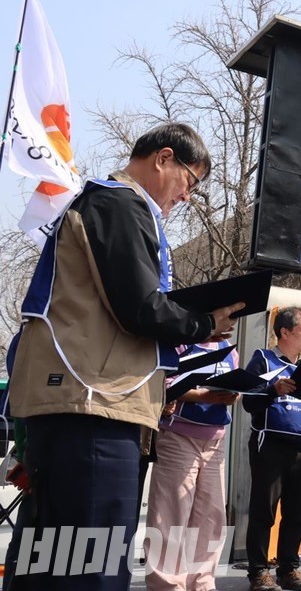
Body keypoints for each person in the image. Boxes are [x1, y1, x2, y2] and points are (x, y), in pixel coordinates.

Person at [8, 122, 240, 591]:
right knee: (93, 565)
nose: (187, 197)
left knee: (49, 562)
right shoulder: (120, 203)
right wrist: (204, 323)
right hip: (93, 404)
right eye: (189, 182)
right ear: (164, 158)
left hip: (78, 404)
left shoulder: (107, 203)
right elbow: (140, 308)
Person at [146, 341, 241, 590]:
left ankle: (202, 582)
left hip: (215, 440)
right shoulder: (179, 344)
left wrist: (234, 394)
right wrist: (204, 396)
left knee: (211, 516)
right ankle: (167, 584)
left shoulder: (229, 349)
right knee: (170, 515)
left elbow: (239, 388)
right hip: (178, 436)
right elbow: (163, 382)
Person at [243, 307, 301, 591]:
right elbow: (248, 402)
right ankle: (259, 572)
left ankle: (289, 569)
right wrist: (273, 390)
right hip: (271, 444)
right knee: (264, 511)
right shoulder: (263, 359)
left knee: (297, 513)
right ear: (285, 332)